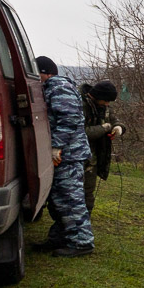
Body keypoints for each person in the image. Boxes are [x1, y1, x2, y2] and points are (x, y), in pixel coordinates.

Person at [33, 56, 94, 257]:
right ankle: (60, 238)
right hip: (65, 155)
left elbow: (70, 119)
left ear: (46, 72)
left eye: (37, 73)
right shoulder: (51, 88)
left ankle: (82, 242)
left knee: (71, 199)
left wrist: (56, 147)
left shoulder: (58, 87)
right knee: (59, 200)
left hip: (69, 155)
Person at [79, 79, 124, 212]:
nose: (107, 104)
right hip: (77, 156)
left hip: (94, 158)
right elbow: (82, 132)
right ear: (98, 96)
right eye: (106, 100)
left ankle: (85, 221)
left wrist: (118, 128)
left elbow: (116, 121)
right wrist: (104, 128)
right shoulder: (80, 106)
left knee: (88, 192)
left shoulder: (104, 107)